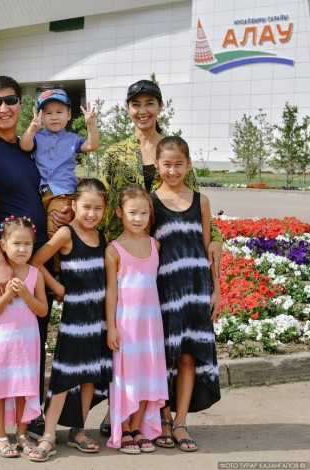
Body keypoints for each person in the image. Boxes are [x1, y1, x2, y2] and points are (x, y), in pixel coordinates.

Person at [98, 78, 223, 438]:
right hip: (131, 263)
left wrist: (215, 239)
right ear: (128, 109)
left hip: (173, 265)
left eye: (149, 103)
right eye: (136, 104)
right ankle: (122, 410)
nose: (143, 111)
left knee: (167, 347)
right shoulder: (115, 154)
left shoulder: (173, 149)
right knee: (133, 343)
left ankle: (164, 419)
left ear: (160, 107)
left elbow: (194, 202)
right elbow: (106, 207)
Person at [0, 75, 69, 447]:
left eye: (10, 100)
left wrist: (56, 214)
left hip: (35, 260)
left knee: (33, 337)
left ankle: (29, 415)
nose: (4, 108)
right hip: (6, 261)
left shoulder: (29, 147)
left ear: (20, 105)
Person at [28, 178, 112, 462]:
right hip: (74, 320)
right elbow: (36, 261)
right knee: (65, 376)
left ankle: (79, 429)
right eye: (86, 207)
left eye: (98, 208)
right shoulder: (66, 233)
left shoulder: (102, 238)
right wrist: (57, 287)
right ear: (74, 205)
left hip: (98, 320)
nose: (92, 213)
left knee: (89, 376)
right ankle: (49, 434)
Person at [151, 136, 221, 452]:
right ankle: (163, 420)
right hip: (163, 290)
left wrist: (216, 289)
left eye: (179, 164)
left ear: (188, 164)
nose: (173, 170)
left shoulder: (200, 201)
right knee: (165, 356)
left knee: (189, 355)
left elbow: (208, 249)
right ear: (157, 165)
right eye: (166, 164)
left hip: (195, 289)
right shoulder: (151, 203)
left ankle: (180, 422)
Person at [105, 186, 168, 454]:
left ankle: (137, 425)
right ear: (120, 213)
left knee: (147, 372)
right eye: (132, 212)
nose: (138, 218)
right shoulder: (114, 250)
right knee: (126, 374)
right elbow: (111, 291)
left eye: (144, 213)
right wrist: (111, 326)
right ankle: (124, 428)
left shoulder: (155, 245)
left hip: (150, 324)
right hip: (126, 324)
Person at [0, 216, 48, 458]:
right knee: (1, 388)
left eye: (27, 244)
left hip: (28, 343)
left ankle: (22, 434)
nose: (22, 249)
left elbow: (43, 310)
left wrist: (27, 295)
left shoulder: (36, 274)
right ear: (3, 244)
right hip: (5, 342)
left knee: (23, 388)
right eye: (16, 243)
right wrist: (8, 295)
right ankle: (0, 436)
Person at [20, 89, 100, 244]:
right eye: (48, 113)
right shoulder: (37, 136)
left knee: (55, 231)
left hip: (62, 192)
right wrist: (32, 128)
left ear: (68, 115)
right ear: (41, 116)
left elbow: (92, 145)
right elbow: (24, 145)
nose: (54, 117)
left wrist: (91, 124)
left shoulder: (72, 139)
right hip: (40, 194)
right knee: (38, 231)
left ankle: (55, 260)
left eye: (59, 112)